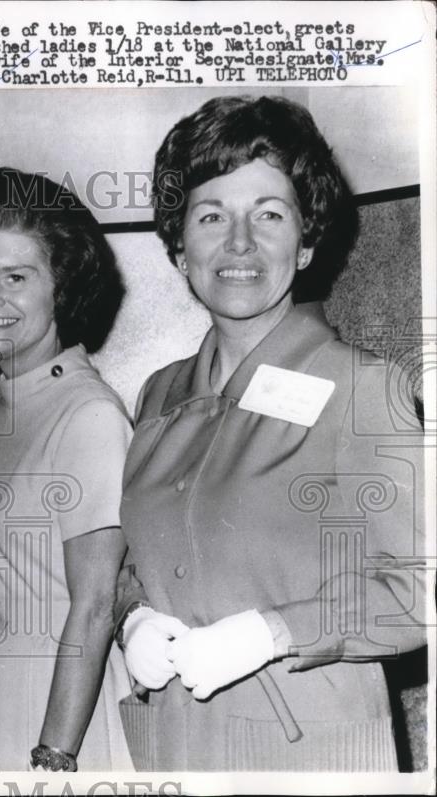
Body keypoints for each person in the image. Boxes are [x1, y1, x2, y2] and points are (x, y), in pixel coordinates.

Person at [114, 95, 427, 770]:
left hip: (313, 752)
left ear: (308, 239)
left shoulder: (363, 387)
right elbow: (133, 558)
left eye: (269, 215)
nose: (238, 244)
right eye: (210, 216)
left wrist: (274, 631)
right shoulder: (160, 392)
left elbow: (421, 594)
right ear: (178, 244)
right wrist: (131, 616)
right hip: (172, 746)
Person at [0, 167, 133, 772]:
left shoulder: (87, 414)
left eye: (15, 276)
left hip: (52, 705)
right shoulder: (6, 402)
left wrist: (53, 758)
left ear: (59, 286)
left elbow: (95, 606)